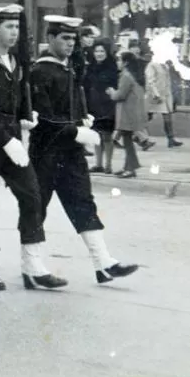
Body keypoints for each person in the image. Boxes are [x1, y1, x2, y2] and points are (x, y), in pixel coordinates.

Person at [30, 15, 140, 284]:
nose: (70, 44)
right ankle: (31, 268)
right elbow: (43, 120)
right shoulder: (40, 71)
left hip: (70, 152)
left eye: (73, 39)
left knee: (84, 203)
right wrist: (76, 131)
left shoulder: (69, 69)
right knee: (35, 209)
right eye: (64, 38)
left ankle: (103, 263)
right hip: (46, 152)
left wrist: (83, 119)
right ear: (50, 39)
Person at [0, 4, 66, 291]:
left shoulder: (17, 62)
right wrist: (6, 140)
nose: (14, 33)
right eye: (8, 27)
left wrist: (26, 116)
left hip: (13, 141)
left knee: (33, 196)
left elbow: (20, 99)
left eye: (17, 27)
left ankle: (33, 267)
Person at [106, 51, 146, 178]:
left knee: (128, 143)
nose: (117, 63)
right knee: (127, 141)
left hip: (127, 114)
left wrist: (112, 92)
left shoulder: (126, 76)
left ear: (125, 62)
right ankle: (128, 167)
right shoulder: (133, 75)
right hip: (131, 113)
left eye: (119, 60)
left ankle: (131, 168)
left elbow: (120, 95)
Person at [84, 38, 118, 174]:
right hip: (93, 105)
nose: (99, 54)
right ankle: (98, 164)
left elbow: (113, 85)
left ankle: (108, 165)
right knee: (97, 135)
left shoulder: (112, 67)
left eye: (102, 51)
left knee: (107, 136)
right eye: (96, 51)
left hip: (107, 105)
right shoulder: (91, 67)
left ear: (106, 52)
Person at [145, 56, 183, 148]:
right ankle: (135, 134)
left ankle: (170, 139)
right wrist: (156, 94)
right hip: (154, 96)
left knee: (167, 117)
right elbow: (150, 81)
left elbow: (167, 81)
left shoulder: (165, 66)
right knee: (147, 117)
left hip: (164, 96)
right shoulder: (152, 65)